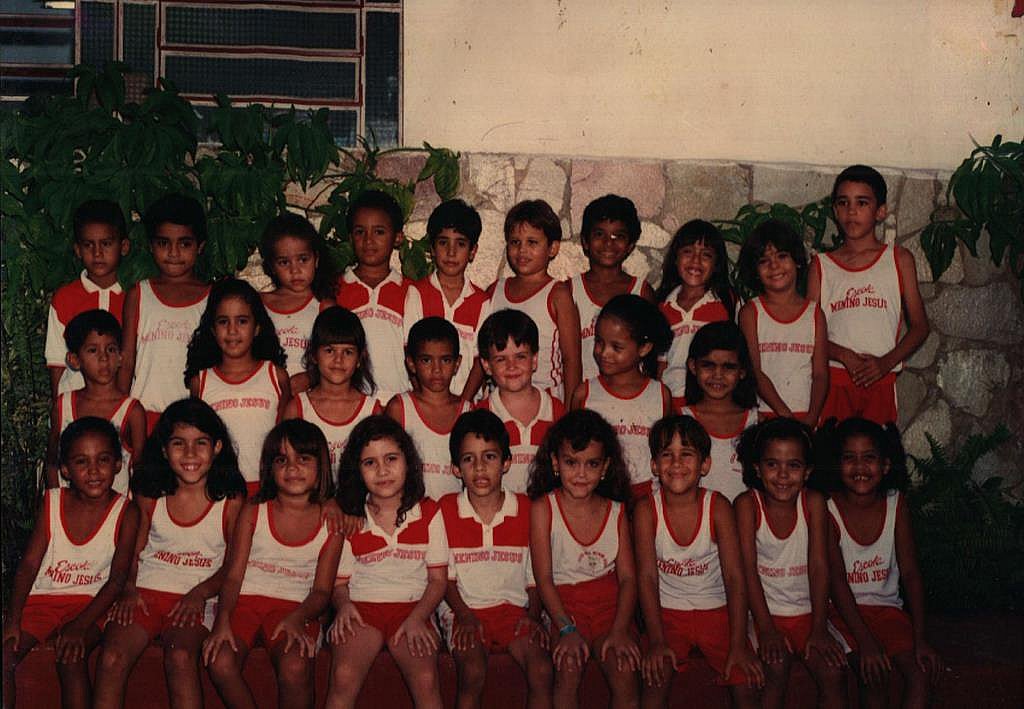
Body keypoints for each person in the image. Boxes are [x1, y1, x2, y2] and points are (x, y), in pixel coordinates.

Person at [93, 399, 246, 708]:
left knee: (180, 656)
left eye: (200, 443)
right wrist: (129, 587)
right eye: (178, 443)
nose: (189, 454)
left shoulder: (230, 499)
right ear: (164, 450)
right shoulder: (150, 493)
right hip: (146, 593)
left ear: (217, 447)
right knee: (111, 657)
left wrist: (200, 593)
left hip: (197, 597)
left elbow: (233, 567)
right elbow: (133, 552)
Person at [202, 420, 343, 709]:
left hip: (296, 607)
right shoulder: (254, 511)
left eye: (303, 459)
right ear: (269, 468)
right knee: (220, 661)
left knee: (295, 666)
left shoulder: (331, 522)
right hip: (244, 604)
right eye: (281, 460)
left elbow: (321, 591)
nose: (292, 468)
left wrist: (298, 617)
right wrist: (222, 620)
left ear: (321, 468)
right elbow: (233, 577)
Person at [3, 418, 138, 709]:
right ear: (65, 469)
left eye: (103, 460)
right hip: (43, 602)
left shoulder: (126, 512)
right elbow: (29, 564)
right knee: (4, 659)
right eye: (81, 462)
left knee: (71, 656)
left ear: (117, 464)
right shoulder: (52, 502)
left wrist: (80, 625)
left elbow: (117, 580)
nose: (93, 471)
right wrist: (12, 620)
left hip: (92, 605)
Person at [633, 415, 763, 708]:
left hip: (716, 612)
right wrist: (656, 640)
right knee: (654, 681)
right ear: (654, 465)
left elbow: (735, 577)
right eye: (667, 455)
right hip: (668, 615)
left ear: (705, 464)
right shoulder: (646, 511)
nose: (676, 463)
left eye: (687, 454)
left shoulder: (718, 507)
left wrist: (739, 642)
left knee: (745, 683)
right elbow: (647, 578)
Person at [815, 418, 941, 709]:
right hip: (843, 614)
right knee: (873, 674)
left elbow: (910, 573)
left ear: (885, 465)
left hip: (888, 612)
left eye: (869, 458)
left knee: (921, 674)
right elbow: (836, 582)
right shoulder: (827, 508)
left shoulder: (896, 503)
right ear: (837, 465)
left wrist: (921, 638)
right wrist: (867, 642)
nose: (860, 467)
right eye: (849, 458)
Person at [328, 415, 448, 709]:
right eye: (370, 462)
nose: (382, 471)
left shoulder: (429, 512)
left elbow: (437, 581)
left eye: (391, 458)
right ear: (357, 470)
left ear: (408, 461)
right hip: (362, 609)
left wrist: (419, 617)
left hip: (413, 609)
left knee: (426, 679)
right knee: (343, 676)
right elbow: (338, 583)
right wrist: (343, 605)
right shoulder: (352, 518)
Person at [438, 410, 553, 709]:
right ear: (455, 468)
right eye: (468, 459)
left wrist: (533, 615)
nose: (479, 467)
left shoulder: (527, 509)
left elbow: (535, 578)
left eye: (489, 457)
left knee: (542, 670)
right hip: (463, 610)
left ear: (506, 463)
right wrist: (464, 616)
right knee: (472, 670)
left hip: (515, 610)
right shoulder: (446, 510)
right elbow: (444, 581)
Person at [528, 410, 640, 708]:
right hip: (564, 609)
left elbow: (628, 579)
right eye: (571, 462)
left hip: (610, 610)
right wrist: (566, 628)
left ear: (605, 467)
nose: (581, 473)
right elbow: (544, 579)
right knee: (568, 666)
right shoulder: (543, 508)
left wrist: (620, 629)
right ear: (555, 463)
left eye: (591, 464)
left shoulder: (616, 511)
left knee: (624, 668)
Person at [734, 418, 848, 709]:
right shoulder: (747, 505)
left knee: (834, 673)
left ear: (807, 471)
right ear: (757, 468)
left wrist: (819, 627)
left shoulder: (814, 502)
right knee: (775, 668)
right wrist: (766, 628)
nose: (783, 475)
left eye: (793, 465)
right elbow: (747, 572)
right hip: (764, 615)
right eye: (772, 464)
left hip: (809, 614)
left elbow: (819, 566)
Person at [807, 165, 930, 425]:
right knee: (833, 448)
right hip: (834, 381)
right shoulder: (821, 266)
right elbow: (808, 332)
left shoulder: (898, 259)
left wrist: (885, 363)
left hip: (880, 381)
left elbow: (920, 327)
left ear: (880, 211)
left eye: (862, 203)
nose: (851, 211)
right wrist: (844, 356)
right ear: (835, 211)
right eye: (844, 203)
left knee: (879, 449)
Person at [186, 278, 290, 495]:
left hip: (267, 490)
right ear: (212, 329)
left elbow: (285, 439)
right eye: (223, 322)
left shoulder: (275, 376)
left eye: (242, 321)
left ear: (257, 327)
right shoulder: (201, 382)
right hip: (221, 492)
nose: (232, 330)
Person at [119, 194, 211, 431]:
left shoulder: (213, 298)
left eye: (184, 244)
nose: (173, 253)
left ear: (200, 246)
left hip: (194, 420)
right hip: (143, 418)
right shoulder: (139, 294)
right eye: (163, 243)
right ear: (151, 245)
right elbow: (126, 361)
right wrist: (119, 413)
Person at [571, 294, 673, 498]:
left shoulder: (660, 395)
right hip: (600, 499)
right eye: (599, 342)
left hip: (648, 499)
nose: (604, 353)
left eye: (616, 347)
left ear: (644, 348)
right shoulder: (585, 393)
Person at [737, 219, 829, 426]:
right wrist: (785, 416)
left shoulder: (814, 314)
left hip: (806, 418)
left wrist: (811, 418)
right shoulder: (751, 313)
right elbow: (754, 371)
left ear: (797, 261)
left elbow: (821, 375)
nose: (774, 266)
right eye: (764, 261)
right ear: (755, 271)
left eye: (782, 256)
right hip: (766, 417)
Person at [489, 200, 581, 402]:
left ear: (552, 248)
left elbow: (571, 360)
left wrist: (571, 413)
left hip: (547, 402)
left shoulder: (558, 294)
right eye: (515, 242)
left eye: (532, 242)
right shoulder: (495, 290)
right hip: (501, 402)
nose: (522, 250)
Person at [45, 310, 146, 493]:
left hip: (116, 507)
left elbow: (140, 471)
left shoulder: (132, 411)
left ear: (121, 357)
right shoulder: (63, 405)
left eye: (111, 349)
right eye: (93, 350)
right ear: (75, 360)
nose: (104, 357)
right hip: (71, 506)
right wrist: (55, 502)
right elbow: (52, 462)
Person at [404, 199, 491, 400]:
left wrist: (462, 404)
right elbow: (409, 352)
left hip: (466, 403)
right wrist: (425, 402)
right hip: (424, 403)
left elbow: (480, 361)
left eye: (460, 244)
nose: (451, 252)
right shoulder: (417, 293)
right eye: (443, 243)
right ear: (432, 249)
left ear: (473, 251)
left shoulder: (481, 302)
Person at [474, 309, 565, 493]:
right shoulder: (481, 416)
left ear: (534, 359)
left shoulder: (556, 410)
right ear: (487, 365)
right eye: (501, 359)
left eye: (520, 356)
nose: (512, 366)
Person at [283, 306, 382, 475]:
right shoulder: (297, 408)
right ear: (314, 355)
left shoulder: (372, 410)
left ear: (360, 358)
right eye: (329, 350)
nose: (338, 360)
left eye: (348, 352)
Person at [46, 200, 130, 398]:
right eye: (88, 245)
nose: (97, 253)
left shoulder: (135, 297)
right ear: (77, 250)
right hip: (77, 404)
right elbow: (56, 363)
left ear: (124, 246)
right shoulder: (64, 299)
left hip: (121, 403)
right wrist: (61, 407)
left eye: (106, 244)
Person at [569, 194, 655, 382]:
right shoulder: (569, 291)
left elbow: (650, 355)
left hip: (628, 393)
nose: (609, 242)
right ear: (585, 241)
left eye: (618, 236)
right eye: (600, 234)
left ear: (630, 245)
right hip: (582, 392)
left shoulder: (641, 291)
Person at [335, 190, 410, 399]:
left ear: (397, 238)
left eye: (379, 232)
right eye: (360, 232)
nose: (368, 240)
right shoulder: (335, 289)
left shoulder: (411, 291)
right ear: (351, 238)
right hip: (351, 401)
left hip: (399, 400)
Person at [386, 317, 470, 499]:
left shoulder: (468, 411)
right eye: (426, 360)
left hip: (456, 510)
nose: (436, 369)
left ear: (457, 364)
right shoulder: (400, 408)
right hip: (412, 509)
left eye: (445, 360)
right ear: (411, 363)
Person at [655, 219, 735, 398]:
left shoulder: (726, 302)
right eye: (688, 252)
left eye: (706, 255)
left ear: (716, 264)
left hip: (712, 399)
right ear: (675, 259)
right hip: (672, 397)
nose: (695, 261)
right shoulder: (663, 305)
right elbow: (660, 364)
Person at [680, 322, 759, 502]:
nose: (718, 375)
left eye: (728, 367)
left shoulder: (756, 422)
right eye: (708, 365)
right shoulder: (681, 421)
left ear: (742, 371)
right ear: (693, 366)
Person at [258, 213, 336, 379]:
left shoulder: (323, 306)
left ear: (316, 259)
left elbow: (335, 358)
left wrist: (308, 378)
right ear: (272, 267)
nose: (295, 270)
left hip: (310, 391)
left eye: (303, 259)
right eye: (284, 262)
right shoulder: (258, 304)